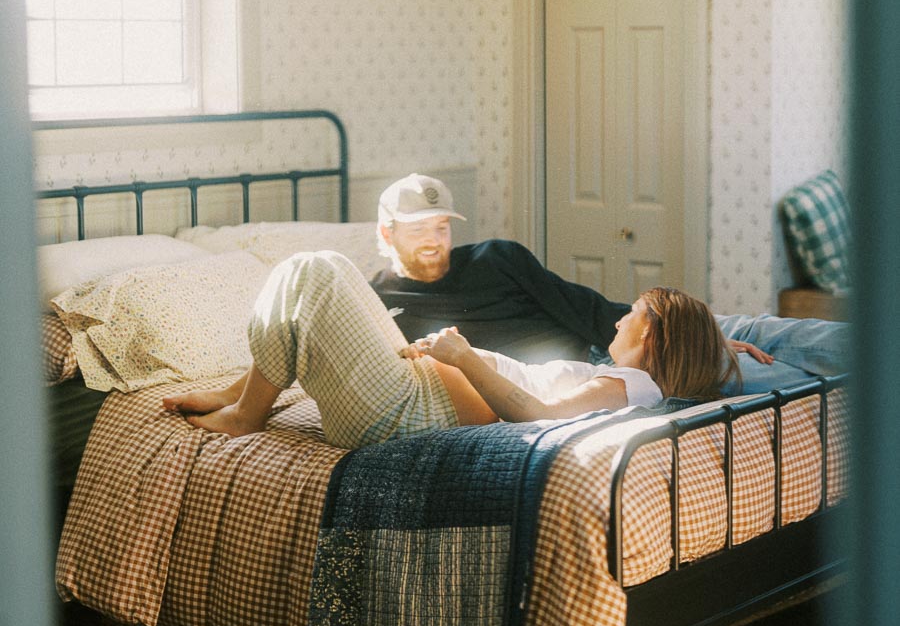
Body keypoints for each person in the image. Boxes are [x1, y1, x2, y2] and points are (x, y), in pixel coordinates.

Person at [162, 248, 737, 450]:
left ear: (653, 336)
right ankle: (242, 394)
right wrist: (720, 342)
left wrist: (462, 358)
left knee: (315, 270)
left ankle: (245, 411)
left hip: (407, 413)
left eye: (631, 313)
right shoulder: (633, 383)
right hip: (411, 397)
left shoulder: (630, 385)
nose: (619, 317)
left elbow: (537, 415)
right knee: (319, 272)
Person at [369, 172, 771, 369]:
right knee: (762, 373)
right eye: (418, 228)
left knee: (764, 333)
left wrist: (685, 333)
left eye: (441, 227)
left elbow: (581, 305)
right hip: (586, 374)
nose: (434, 240)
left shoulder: (496, 258)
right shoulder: (379, 302)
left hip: (615, 342)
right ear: (388, 234)